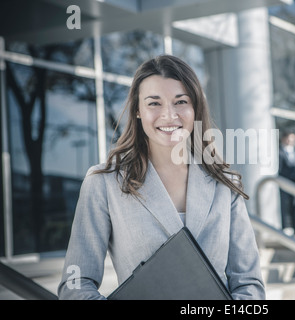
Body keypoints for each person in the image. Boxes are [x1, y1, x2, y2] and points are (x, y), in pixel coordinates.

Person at [58, 55, 265, 300]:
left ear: (195, 108)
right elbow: (75, 283)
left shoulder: (224, 185)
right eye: (154, 103)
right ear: (137, 110)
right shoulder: (103, 183)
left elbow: (249, 286)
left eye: (180, 102)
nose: (169, 115)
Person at [278, 131, 295, 235]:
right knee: (283, 205)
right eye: (289, 138)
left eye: (293, 139)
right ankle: (284, 228)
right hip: (283, 182)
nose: (291, 141)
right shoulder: (278, 152)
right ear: (283, 139)